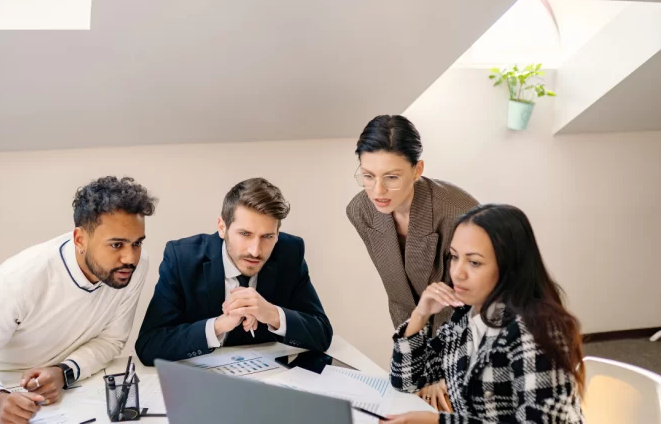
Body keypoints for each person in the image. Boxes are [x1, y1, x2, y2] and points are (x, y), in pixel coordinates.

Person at [0, 176, 156, 424]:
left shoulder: (134, 267)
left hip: (76, 389)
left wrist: (63, 372)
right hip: (6, 388)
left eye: (137, 243)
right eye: (116, 245)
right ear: (80, 239)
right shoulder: (19, 278)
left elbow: (112, 340)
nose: (129, 257)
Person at [381, 204, 585, 424]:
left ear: (509, 266)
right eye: (454, 257)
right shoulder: (465, 316)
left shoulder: (536, 328)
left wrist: (438, 421)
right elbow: (407, 381)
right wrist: (420, 314)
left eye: (474, 262)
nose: (457, 273)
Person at [346, 115, 478, 409]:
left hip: (469, 338)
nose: (377, 191)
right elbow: (402, 295)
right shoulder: (360, 211)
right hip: (413, 333)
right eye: (368, 176)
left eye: (391, 177)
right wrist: (416, 366)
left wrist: (441, 372)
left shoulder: (461, 212)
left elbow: (477, 301)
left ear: (418, 169)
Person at [136, 177, 333, 365]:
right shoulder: (182, 258)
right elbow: (149, 345)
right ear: (222, 227)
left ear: (277, 234)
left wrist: (272, 314)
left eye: (267, 236)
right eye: (245, 234)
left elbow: (322, 334)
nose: (255, 251)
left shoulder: (290, 252)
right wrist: (217, 327)